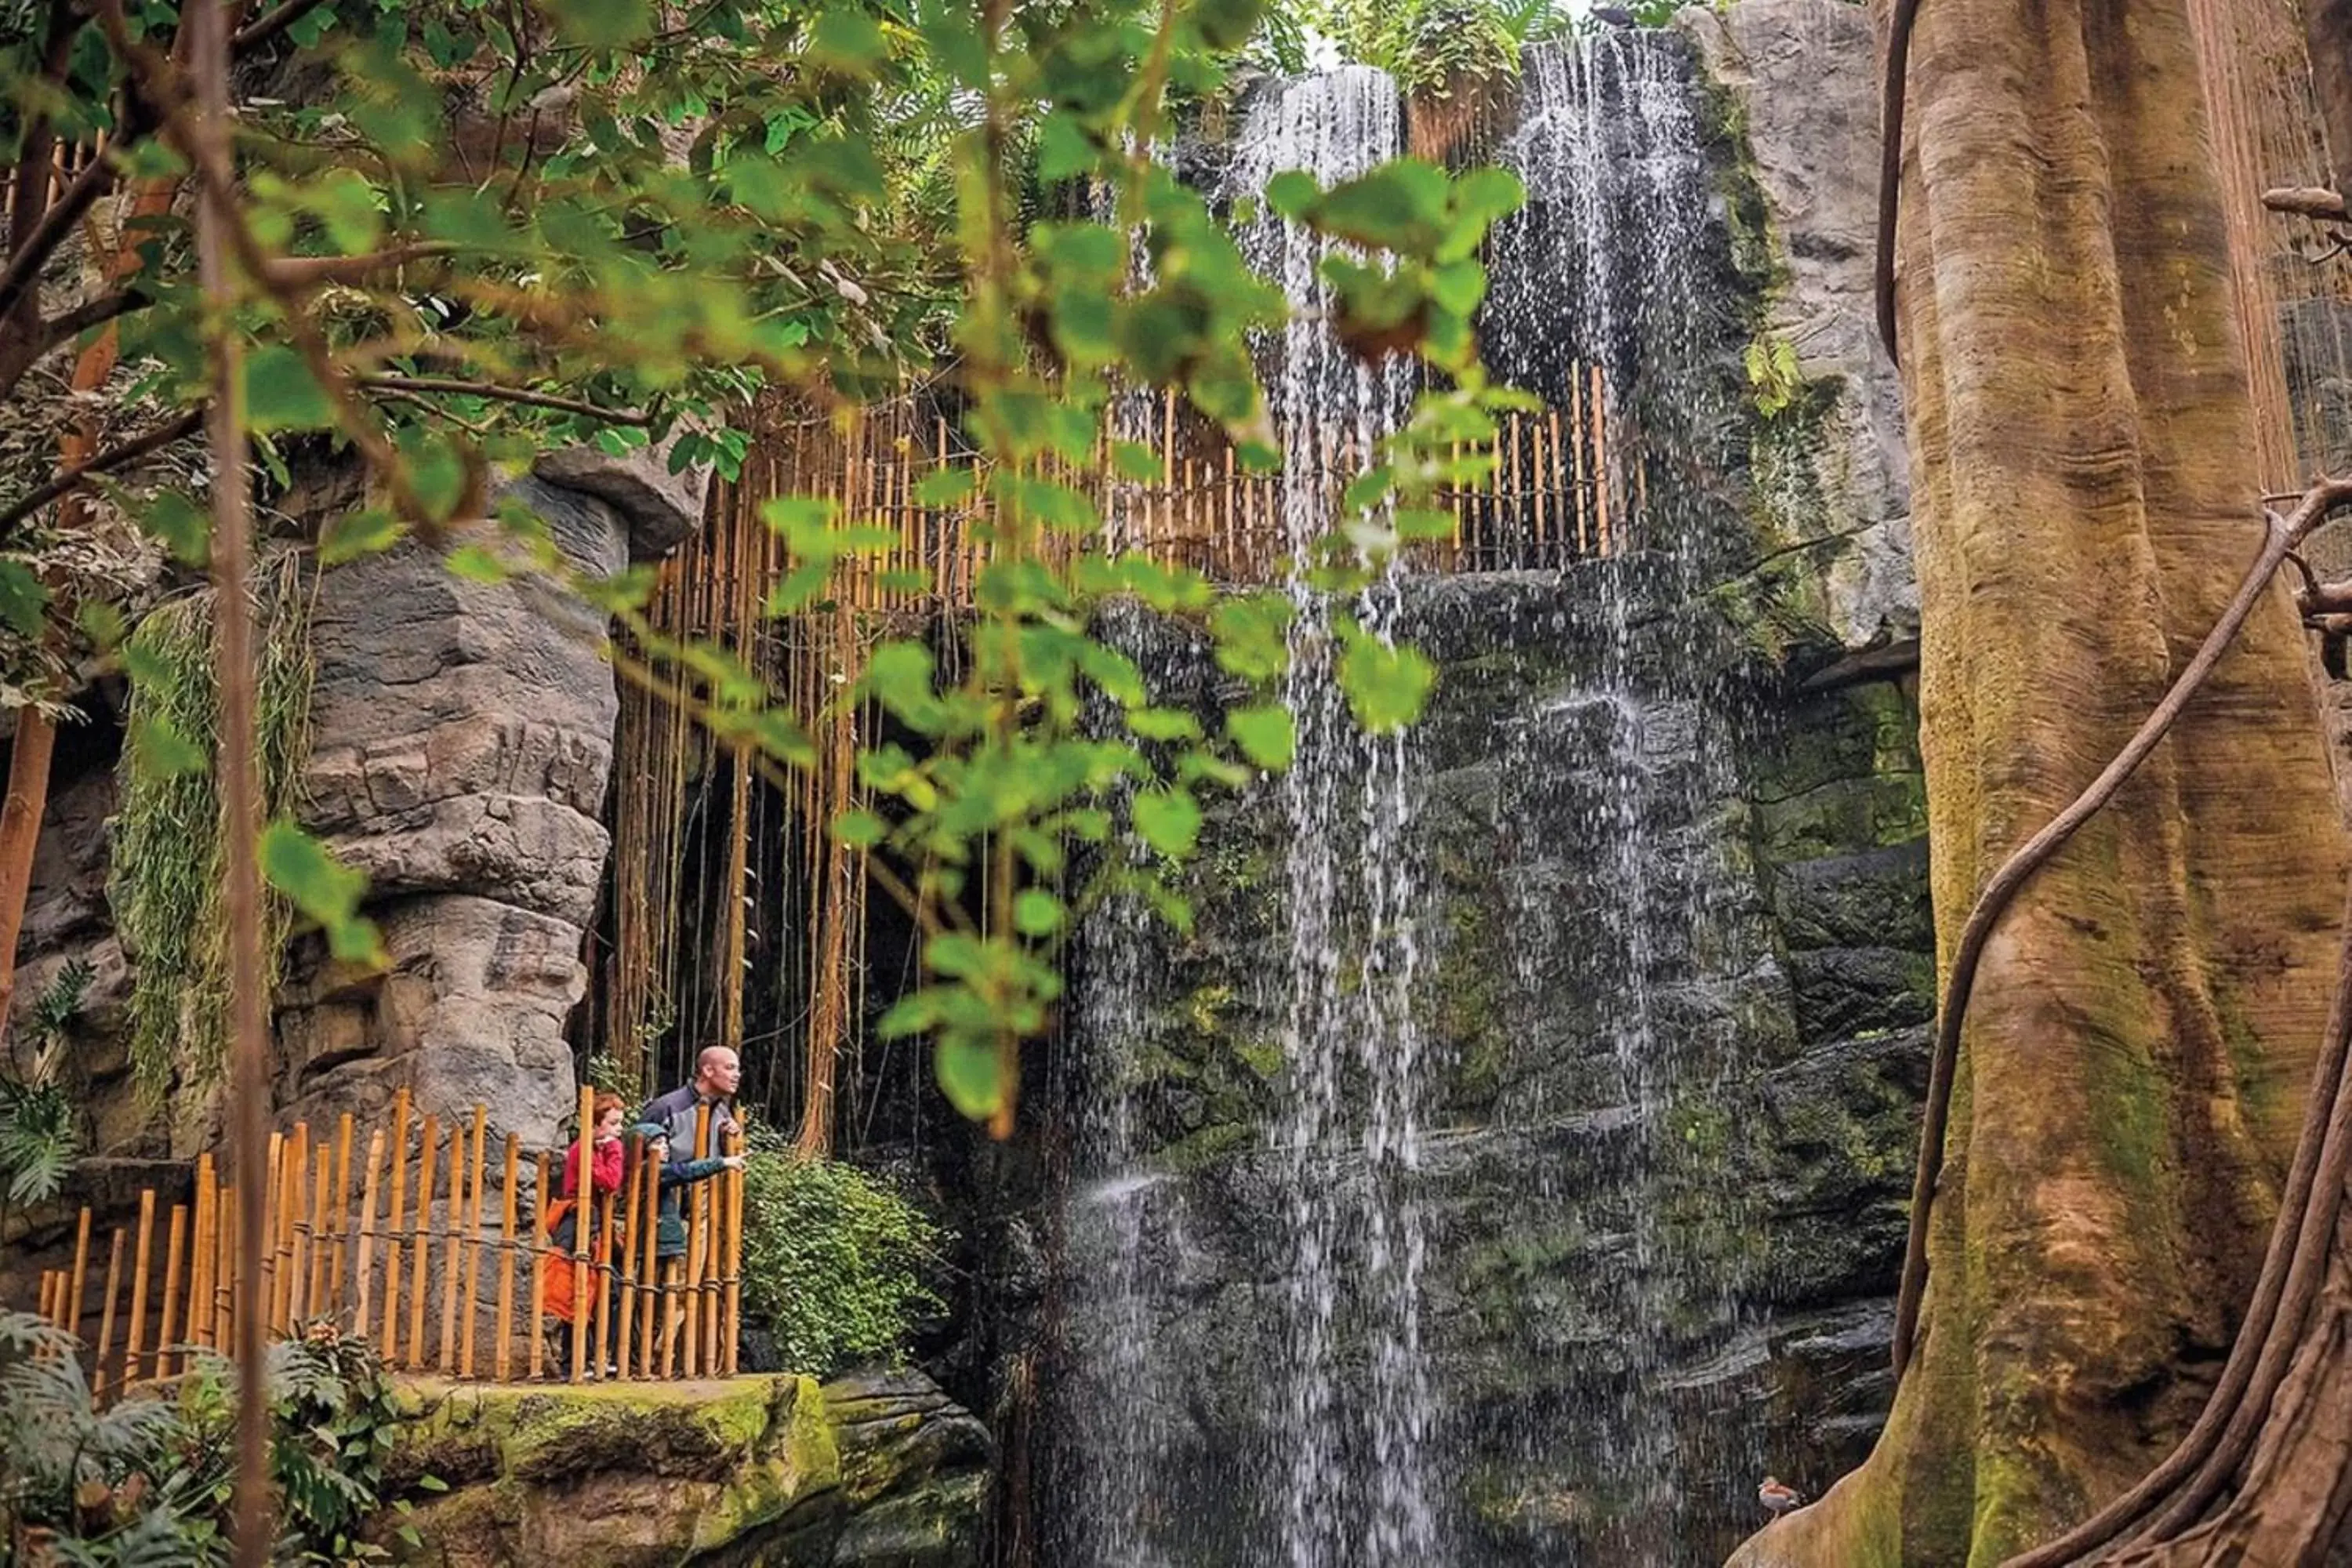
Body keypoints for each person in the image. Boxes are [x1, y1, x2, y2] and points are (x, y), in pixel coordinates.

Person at [628, 1120, 746, 1375]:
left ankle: (658, 1357)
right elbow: (685, 1171)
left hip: (663, 1243)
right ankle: (654, 1358)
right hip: (658, 1245)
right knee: (659, 1300)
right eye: (657, 1143)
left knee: (661, 1300)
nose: (665, 1147)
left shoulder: (652, 1171)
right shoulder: (651, 1170)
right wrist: (723, 1162)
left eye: (665, 1142)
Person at [541, 1093, 626, 1372]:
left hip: (594, 1222)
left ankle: (598, 1356)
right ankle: (573, 1359)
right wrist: (615, 1150)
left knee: (605, 1290)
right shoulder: (584, 1148)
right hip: (577, 1221)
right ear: (598, 1123)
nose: (618, 1130)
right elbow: (610, 1180)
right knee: (574, 1289)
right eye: (614, 1123)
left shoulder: (598, 1148)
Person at [640, 1047, 742, 1161]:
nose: (737, 1075)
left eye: (738, 1070)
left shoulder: (723, 1113)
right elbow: (637, 1161)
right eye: (730, 1068)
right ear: (708, 1071)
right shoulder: (665, 1108)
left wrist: (729, 1141)